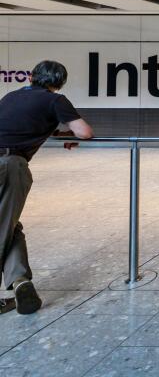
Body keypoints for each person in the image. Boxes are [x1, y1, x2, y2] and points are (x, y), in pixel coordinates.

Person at [0, 60, 93, 315]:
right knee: (3, 227)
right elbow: (84, 132)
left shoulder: (10, 97)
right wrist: (71, 135)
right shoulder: (55, 101)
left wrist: (58, 135)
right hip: (9, 165)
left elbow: (16, 125)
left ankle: (20, 282)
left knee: (10, 225)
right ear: (60, 83)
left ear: (31, 77)